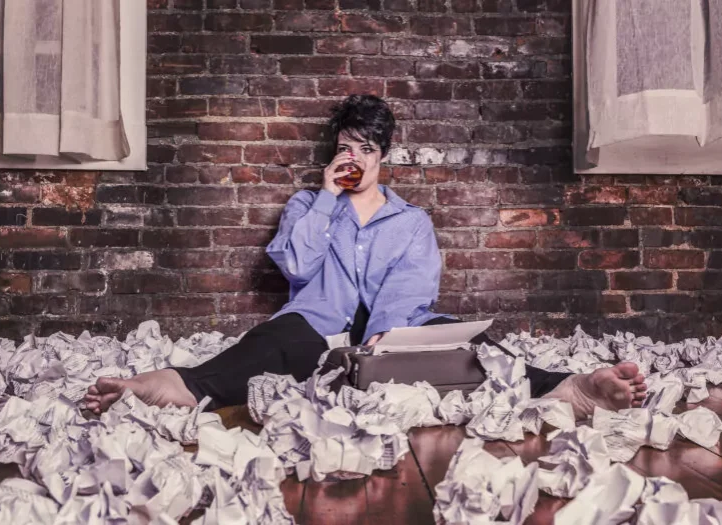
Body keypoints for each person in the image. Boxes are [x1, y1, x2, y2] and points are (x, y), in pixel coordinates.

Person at [85, 95, 646, 420]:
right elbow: (298, 270)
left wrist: (387, 336)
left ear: (384, 157)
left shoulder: (411, 222)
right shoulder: (309, 203)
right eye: (346, 148)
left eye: (366, 150)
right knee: (269, 342)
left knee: (472, 346)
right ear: (335, 153)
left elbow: (411, 290)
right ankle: (181, 384)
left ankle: (567, 387)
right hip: (318, 334)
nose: (354, 159)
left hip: (392, 338)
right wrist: (327, 198)